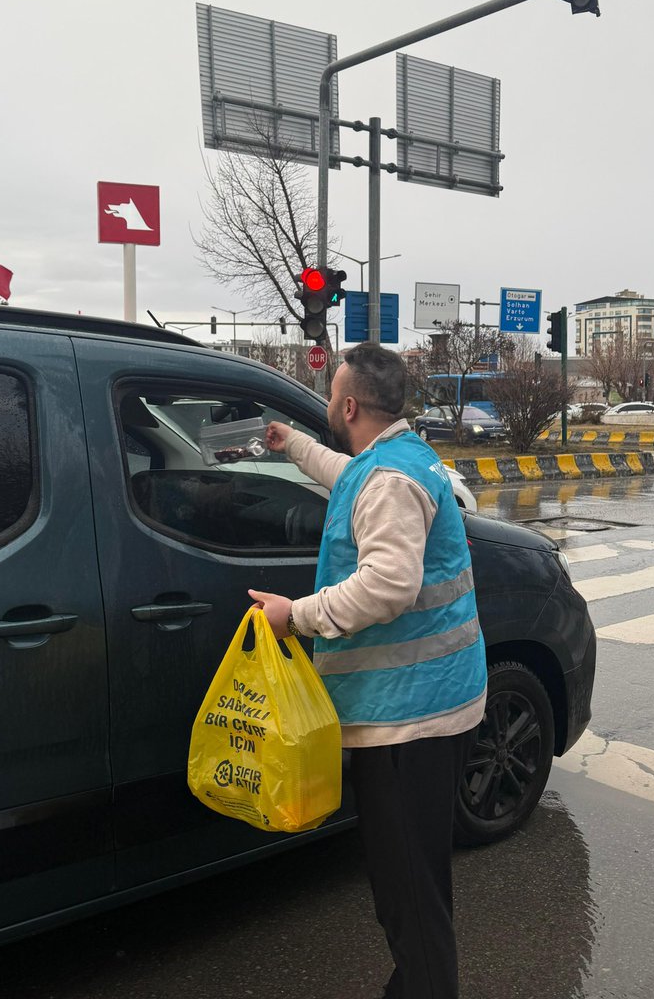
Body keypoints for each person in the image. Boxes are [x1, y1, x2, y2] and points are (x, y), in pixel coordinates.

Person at [249, 342, 487, 999]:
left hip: (410, 721)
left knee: (411, 899)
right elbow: (347, 477)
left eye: (330, 397)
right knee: (409, 890)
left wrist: (292, 616)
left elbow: (388, 585)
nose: (327, 405)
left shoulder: (390, 481)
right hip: (420, 706)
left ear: (348, 404)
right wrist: (293, 443)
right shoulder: (391, 461)